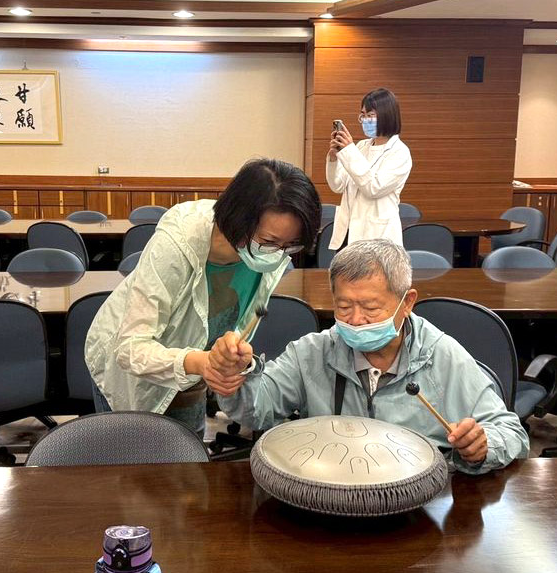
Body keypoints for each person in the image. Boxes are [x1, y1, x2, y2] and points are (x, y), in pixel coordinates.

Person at [211, 239, 529, 474]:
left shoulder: (442, 356)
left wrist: (482, 446)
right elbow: (257, 410)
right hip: (332, 494)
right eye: (343, 307)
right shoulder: (313, 352)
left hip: (418, 502)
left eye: (371, 308)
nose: (356, 320)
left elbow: (511, 433)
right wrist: (235, 377)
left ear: (407, 303)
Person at [85, 158, 321, 440]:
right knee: (136, 457)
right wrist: (202, 363)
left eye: (290, 246)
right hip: (133, 369)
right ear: (238, 221)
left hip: (194, 373)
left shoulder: (269, 251)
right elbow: (130, 349)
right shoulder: (178, 244)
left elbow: (233, 325)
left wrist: (229, 356)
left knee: (189, 454)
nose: (279, 254)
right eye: (270, 242)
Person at [326, 88, 412, 250]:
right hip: (348, 232)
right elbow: (337, 186)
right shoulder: (361, 146)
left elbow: (373, 188)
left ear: (387, 115)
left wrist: (349, 151)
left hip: (377, 237)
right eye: (363, 115)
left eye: (370, 115)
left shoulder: (399, 152)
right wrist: (334, 158)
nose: (365, 120)